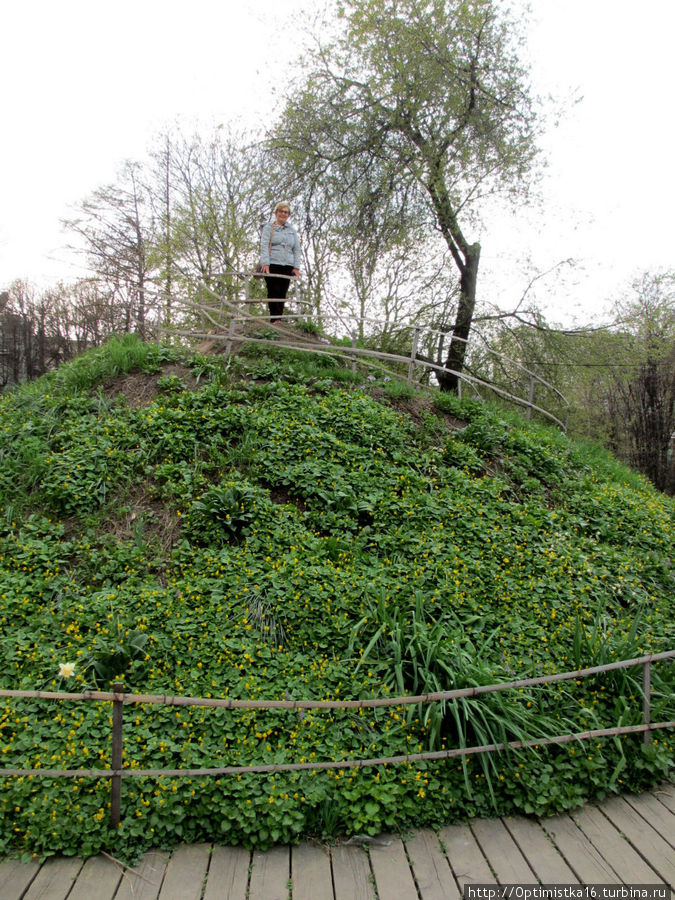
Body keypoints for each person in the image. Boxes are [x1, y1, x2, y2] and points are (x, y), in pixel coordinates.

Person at [259, 201, 301, 322]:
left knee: (283, 291)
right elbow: (264, 246)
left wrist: (296, 267)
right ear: (276, 213)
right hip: (272, 263)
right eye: (281, 211)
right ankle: (274, 318)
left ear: (288, 215)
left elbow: (297, 249)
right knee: (273, 290)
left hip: (287, 264)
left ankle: (279, 318)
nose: (283, 214)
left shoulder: (292, 230)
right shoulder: (268, 228)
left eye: (286, 212)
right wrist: (265, 263)